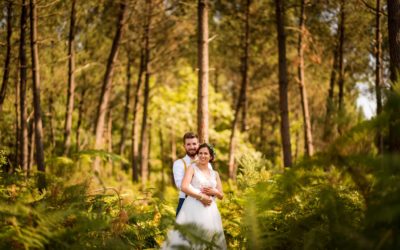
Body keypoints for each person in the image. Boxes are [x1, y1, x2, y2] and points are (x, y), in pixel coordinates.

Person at [163, 143, 227, 249]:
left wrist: (214, 192)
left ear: (211, 157)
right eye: (200, 153)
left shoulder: (215, 173)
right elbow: (184, 187)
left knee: (210, 239)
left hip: (210, 210)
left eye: (205, 153)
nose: (202, 155)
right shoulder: (192, 168)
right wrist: (201, 197)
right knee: (191, 238)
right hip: (193, 207)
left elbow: (221, 195)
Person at [173, 132, 212, 216]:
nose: (192, 147)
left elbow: (211, 182)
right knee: (184, 229)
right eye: (188, 144)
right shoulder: (179, 163)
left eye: (194, 144)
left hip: (205, 204)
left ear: (198, 144)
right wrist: (200, 196)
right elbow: (180, 185)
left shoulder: (207, 164)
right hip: (185, 202)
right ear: (184, 146)